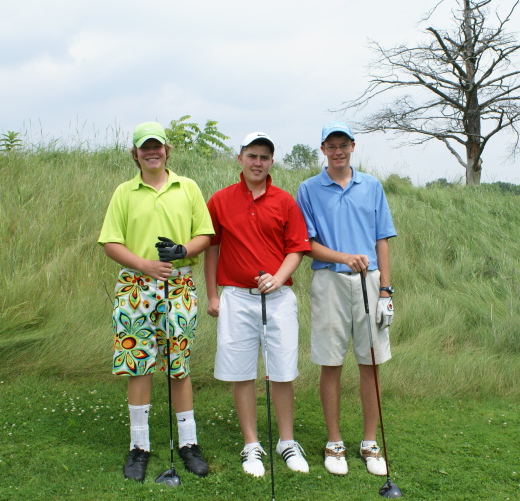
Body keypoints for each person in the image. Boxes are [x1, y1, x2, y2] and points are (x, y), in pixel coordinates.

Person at [98, 122, 215, 482]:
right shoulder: (124, 192)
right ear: (135, 154)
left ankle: (188, 443)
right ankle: (140, 447)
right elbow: (111, 242)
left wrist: (181, 250)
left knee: (178, 366)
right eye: (144, 147)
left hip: (178, 286)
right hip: (135, 286)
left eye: (157, 146)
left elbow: (205, 235)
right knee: (139, 365)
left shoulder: (188, 187)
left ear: (167, 151)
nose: (152, 152)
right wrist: (145, 264)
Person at [203, 132, 311, 477]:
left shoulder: (285, 201)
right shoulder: (220, 200)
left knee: (282, 371)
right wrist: (212, 295)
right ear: (240, 159)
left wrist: (278, 278)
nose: (258, 162)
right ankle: (251, 444)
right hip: (236, 297)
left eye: (264, 157)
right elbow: (212, 248)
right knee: (241, 372)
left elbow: (297, 249)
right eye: (252, 155)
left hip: (277, 299)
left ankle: (286, 441)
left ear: (271, 162)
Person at [296, 121, 397, 477]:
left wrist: (386, 290)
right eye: (331, 146)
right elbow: (306, 244)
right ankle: (334, 442)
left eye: (343, 145)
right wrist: (343, 257)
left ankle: (370, 442)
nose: (337, 151)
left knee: (371, 361)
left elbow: (382, 239)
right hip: (329, 280)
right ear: (323, 149)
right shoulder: (308, 189)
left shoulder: (372, 185)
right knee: (330, 362)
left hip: (370, 281)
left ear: (353, 146)